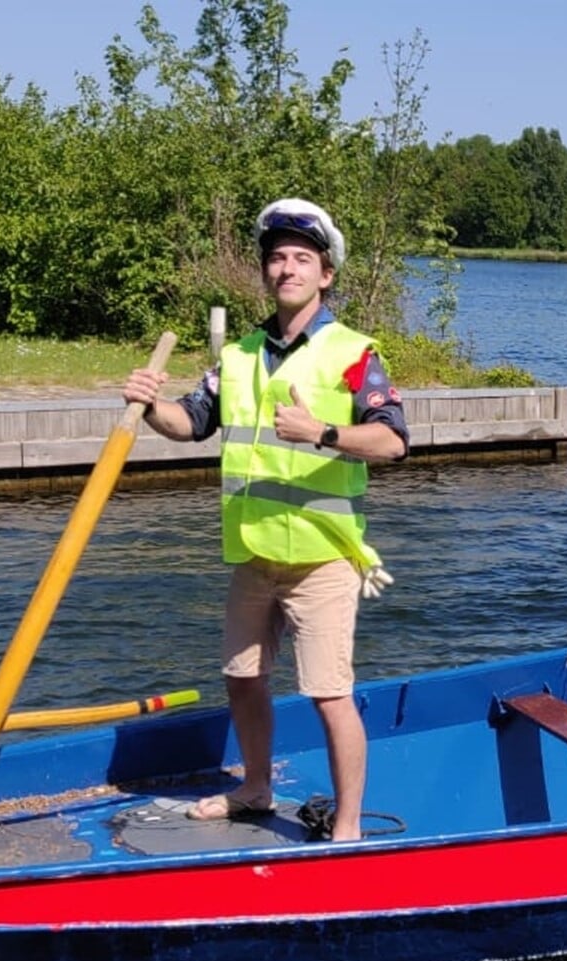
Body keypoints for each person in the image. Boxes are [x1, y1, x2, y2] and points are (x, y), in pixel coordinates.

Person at [122, 197, 408, 842]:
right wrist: (149, 406)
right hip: (253, 554)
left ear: (325, 274)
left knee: (329, 692)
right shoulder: (239, 357)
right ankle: (254, 787)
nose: (287, 269)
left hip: (324, 555)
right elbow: (191, 423)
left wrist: (323, 431)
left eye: (301, 259)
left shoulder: (355, 353)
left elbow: (392, 441)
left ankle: (350, 826)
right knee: (243, 678)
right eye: (277, 258)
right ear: (265, 273)